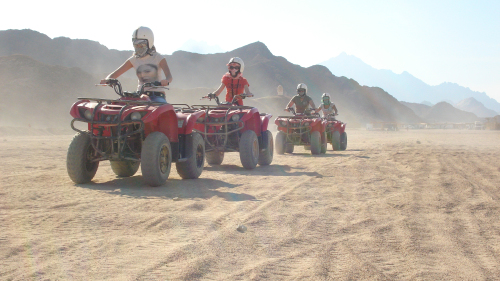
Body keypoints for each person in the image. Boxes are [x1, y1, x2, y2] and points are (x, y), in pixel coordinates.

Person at [100, 26, 172, 103]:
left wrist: (166, 81)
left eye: (141, 45)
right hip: (140, 95)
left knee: (160, 109)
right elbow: (115, 74)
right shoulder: (134, 59)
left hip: (157, 96)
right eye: (136, 45)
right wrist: (107, 80)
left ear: (149, 42)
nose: (138, 48)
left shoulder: (158, 57)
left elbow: (169, 76)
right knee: (117, 105)